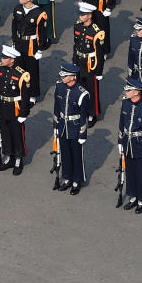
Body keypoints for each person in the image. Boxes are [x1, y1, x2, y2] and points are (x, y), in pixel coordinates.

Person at [118, 77, 142, 213]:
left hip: (140, 144)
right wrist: (120, 142)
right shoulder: (125, 103)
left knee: (140, 173)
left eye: (129, 90)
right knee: (130, 172)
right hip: (128, 142)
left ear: (136, 92)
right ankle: (132, 196)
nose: (126, 91)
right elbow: (121, 124)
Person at [0, 45, 31, 175]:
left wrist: (23, 112)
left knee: (17, 134)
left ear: (12, 60)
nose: (2, 59)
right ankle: (9, 157)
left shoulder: (21, 74)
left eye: (5, 57)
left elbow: (25, 95)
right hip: (3, 105)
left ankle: (18, 159)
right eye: (2, 57)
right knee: (5, 133)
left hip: (15, 108)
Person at [52, 63, 89, 195]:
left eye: (65, 75)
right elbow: (57, 107)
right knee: (65, 153)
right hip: (63, 126)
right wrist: (56, 125)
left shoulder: (82, 94)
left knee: (76, 155)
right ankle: (67, 177)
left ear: (73, 77)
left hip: (74, 128)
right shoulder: (59, 86)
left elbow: (83, 116)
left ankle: (77, 180)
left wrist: (82, 134)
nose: (62, 77)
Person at [12, 0, 49, 107]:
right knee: (18, 68)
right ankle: (20, 91)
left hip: (31, 45)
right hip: (19, 43)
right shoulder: (17, 9)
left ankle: (32, 94)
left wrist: (40, 48)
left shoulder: (39, 13)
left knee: (32, 69)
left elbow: (42, 33)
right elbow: (14, 27)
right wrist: (14, 42)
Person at [72, 2, 106, 125]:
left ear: (89, 15)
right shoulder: (77, 26)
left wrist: (99, 71)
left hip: (91, 64)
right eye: (80, 14)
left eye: (83, 15)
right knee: (80, 88)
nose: (80, 17)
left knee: (92, 90)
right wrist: (74, 61)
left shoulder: (97, 32)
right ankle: (82, 110)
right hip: (79, 61)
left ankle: (92, 114)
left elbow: (100, 54)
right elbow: (75, 45)